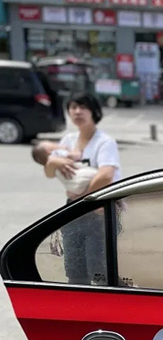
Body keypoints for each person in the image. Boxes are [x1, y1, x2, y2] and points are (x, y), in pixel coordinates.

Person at [40, 93, 121, 284]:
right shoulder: (68, 140)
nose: (77, 112)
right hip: (74, 211)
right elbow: (49, 173)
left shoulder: (104, 142)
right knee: (74, 270)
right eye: (73, 107)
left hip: (100, 210)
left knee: (100, 271)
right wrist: (53, 161)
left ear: (94, 111)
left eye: (82, 107)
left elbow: (106, 175)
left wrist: (83, 198)